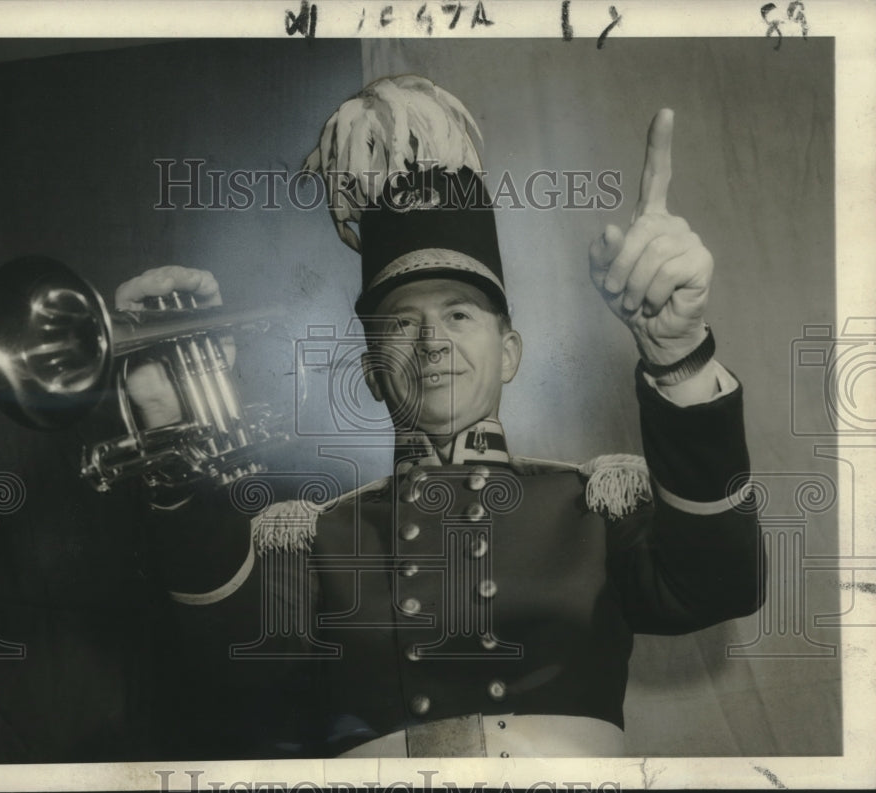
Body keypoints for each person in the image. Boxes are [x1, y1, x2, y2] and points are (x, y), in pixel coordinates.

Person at [118, 76, 765, 758]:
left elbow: (726, 583)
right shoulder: (316, 539)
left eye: (459, 314)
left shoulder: (595, 507)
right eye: (401, 322)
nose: (432, 342)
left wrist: (679, 354)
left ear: (509, 351)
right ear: (369, 372)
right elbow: (223, 651)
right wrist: (169, 427)